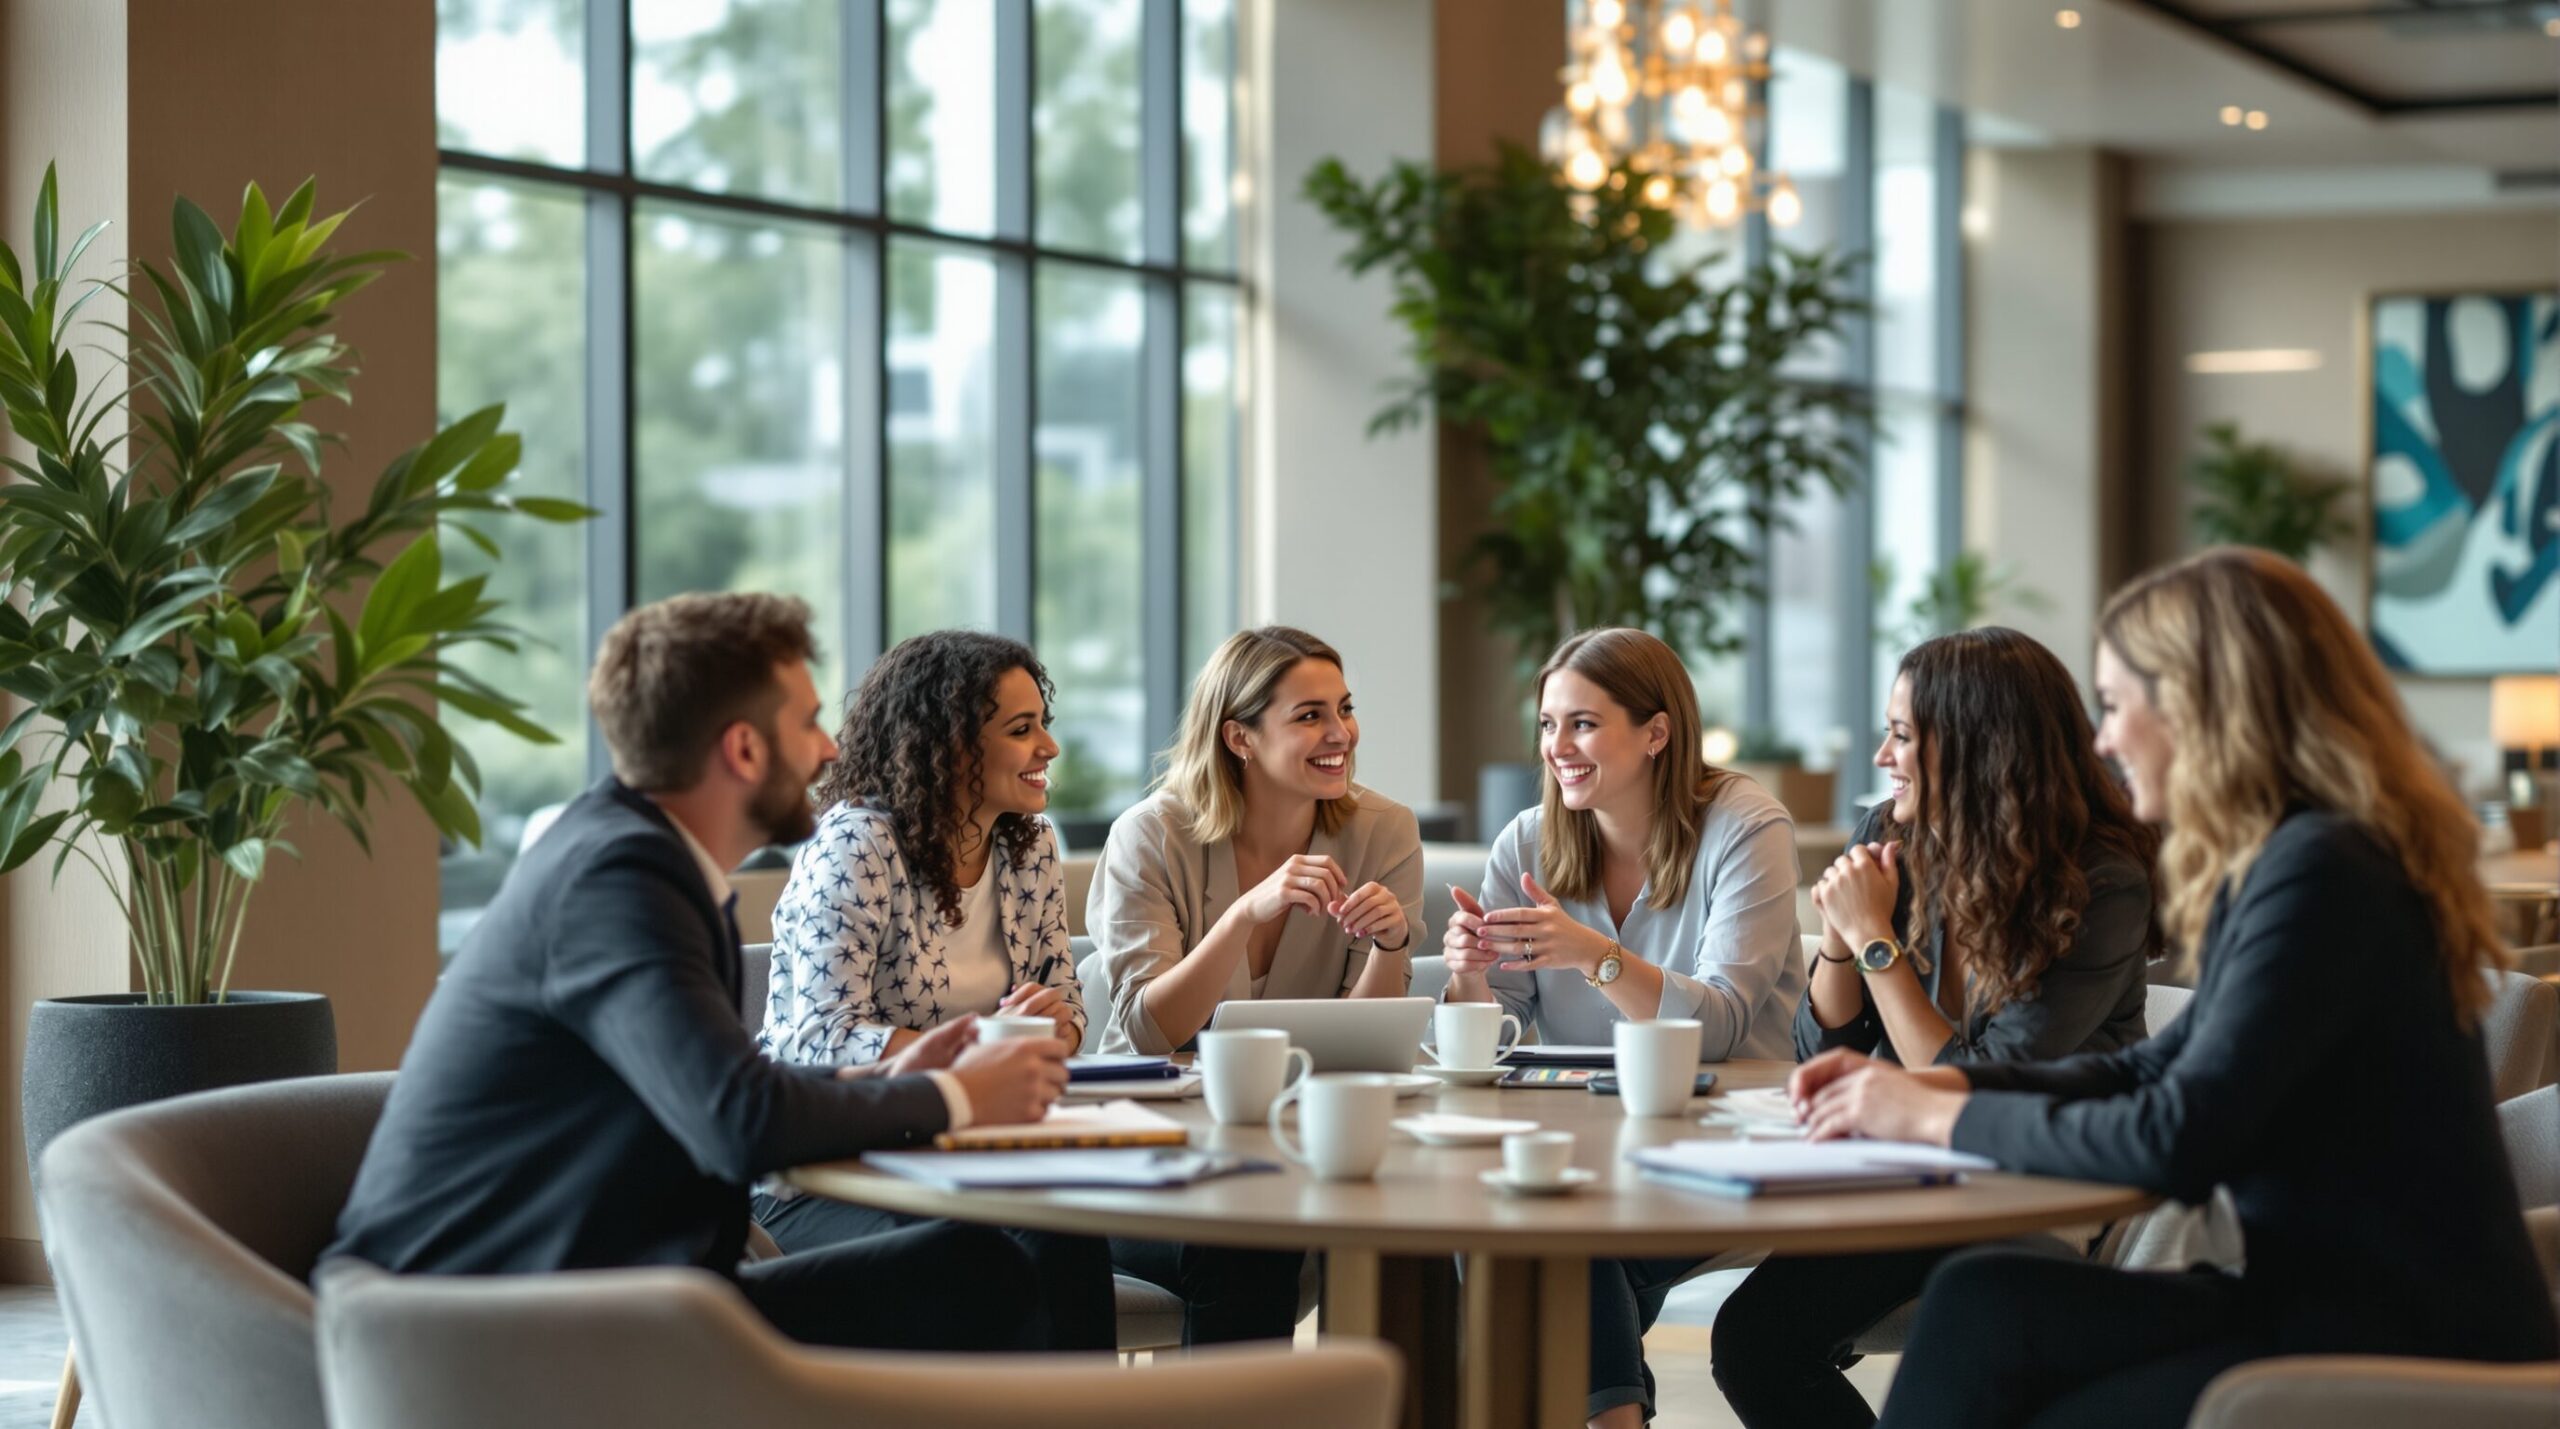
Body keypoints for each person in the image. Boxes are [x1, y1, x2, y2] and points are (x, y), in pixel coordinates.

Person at [1792, 549, 2559, 1428]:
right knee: (1982, 1302)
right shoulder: (2283, 859)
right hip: (2311, 1294)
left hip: (2393, 1330)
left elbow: (2178, 1136)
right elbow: (2156, 1069)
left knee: (2032, 1382)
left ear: (2202, 704)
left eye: (2117, 707)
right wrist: (1942, 1085)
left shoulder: (2326, 874)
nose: (2105, 740)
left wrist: (1932, 1114)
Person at [324, 594, 1073, 1354]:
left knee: (986, 1266)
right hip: (486, 1327)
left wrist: (885, 1081)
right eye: (809, 722)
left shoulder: (646, 861)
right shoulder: (616, 879)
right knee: (980, 1275)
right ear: (745, 750)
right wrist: (953, 1093)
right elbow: (738, 1120)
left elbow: (717, 1086)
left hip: (603, 1289)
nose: (832, 751)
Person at [1712, 627, 2158, 1429]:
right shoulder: (1891, 833)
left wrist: (1878, 944)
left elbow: (1983, 1087)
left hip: (2034, 1180)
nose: (1884, 755)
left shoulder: (2101, 881)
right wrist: (1842, 944)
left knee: (1960, 1346)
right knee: (1752, 1337)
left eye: (1903, 734)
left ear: (1979, 744)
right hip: (1903, 1175)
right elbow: (1822, 1052)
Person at [1440, 625, 1803, 1428]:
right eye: (1547, 724)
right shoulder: (1526, 842)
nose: (1557, 747)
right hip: (1586, 1140)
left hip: (1725, 1141)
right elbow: (1492, 1038)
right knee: (1516, 1220)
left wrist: (1594, 955)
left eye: (1582, 723)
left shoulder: (1745, 825)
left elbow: (1722, 1025)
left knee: (1553, 1240)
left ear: (1656, 731)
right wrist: (1468, 972)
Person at [752, 629, 1112, 1350]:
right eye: (1021, 728)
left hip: (977, 1153)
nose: (1049, 746)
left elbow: (1067, 1002)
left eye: (1044, 722)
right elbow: (817, 1036)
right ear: (949, 746)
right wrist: (974, 1060)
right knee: (999, 1252)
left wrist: (1053, 1023)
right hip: (826, 1173)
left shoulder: (1029, 842)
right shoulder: (858, 846)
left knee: (1069, 1238)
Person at [1088, 625, 1423, 1343]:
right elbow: (1153, 1029)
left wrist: (1388, 945)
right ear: (1239, 737)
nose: (1341, 733)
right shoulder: (1151, 837)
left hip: (1299, 1151)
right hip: (1153, 1161)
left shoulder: (1384, 831)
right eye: (1310, 715)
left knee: (1415, 1233)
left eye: (1344, 707)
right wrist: (1243, 912)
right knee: (1248, 1242)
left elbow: (1363, 1047)